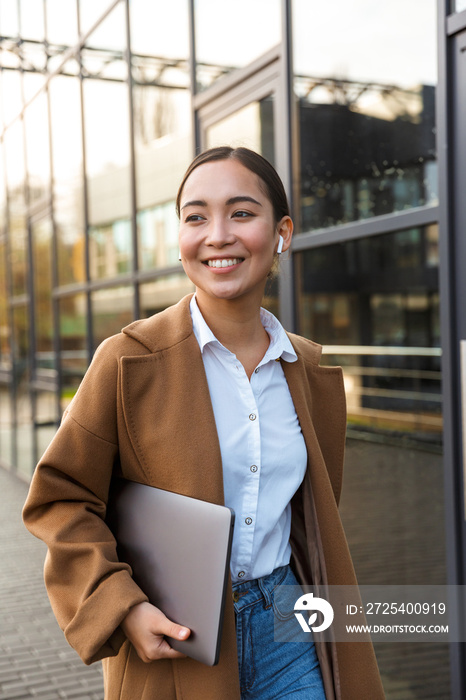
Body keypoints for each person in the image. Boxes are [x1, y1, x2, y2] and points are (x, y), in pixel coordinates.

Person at [23, 146, 384, 699]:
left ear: (281, 232)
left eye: (242, 213)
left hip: (290, 625)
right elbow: (61, 498)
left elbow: (309, 514)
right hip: (179, 639)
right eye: (196, 217)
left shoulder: (306, 371)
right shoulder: (126, 362)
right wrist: (121, 605)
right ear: (181, 237)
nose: (217, 234)